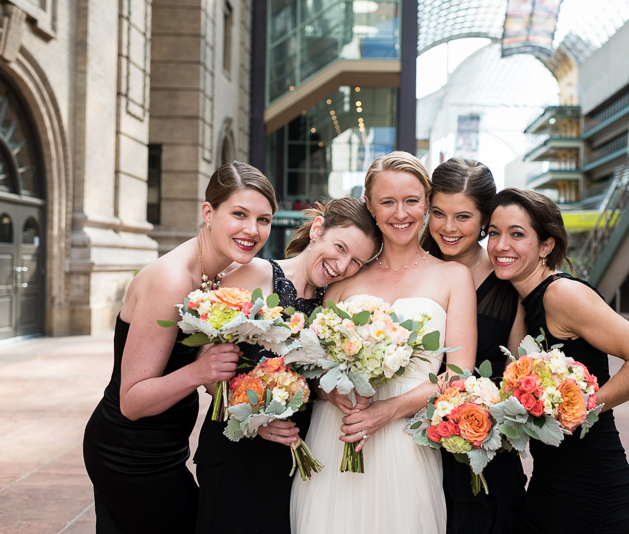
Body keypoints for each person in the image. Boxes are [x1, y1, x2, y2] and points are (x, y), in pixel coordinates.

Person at [83, 162, 278, 533]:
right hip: (129, 450)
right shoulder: (171, 279)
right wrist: (201, 371)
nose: (252, 230)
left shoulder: (220, 275)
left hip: (167, 445)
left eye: (264, 219)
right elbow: (133, 400)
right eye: (239, 214)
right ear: (208, 212)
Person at [290, 151, 478, 534]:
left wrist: (385, 411)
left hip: (404, 440)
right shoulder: (343, 280)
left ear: (427, 203)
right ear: (369, 205)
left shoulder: (453, 277)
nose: (400, 213)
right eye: (387, 202)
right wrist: (330, 394)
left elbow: (458, 376)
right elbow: (312, 364)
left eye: (411, 201)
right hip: (337, 432)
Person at [486, 188, 629, 534]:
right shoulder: (523, 300)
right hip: (550, 483)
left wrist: (578, 409)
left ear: (546, 246)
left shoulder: (561, 294)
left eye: (517, 234)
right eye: (494, 232)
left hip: (590, 486)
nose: (500, 245)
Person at [193, 197, 381, 534]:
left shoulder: (334, 303)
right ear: (318, 230)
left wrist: (331, 393)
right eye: (339, 247)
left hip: (293, 461)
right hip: (235, 452)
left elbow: (316, 380)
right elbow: (208, 367)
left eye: (356, 261)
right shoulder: (253, 273)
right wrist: (256, 420)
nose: (341, 265)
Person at [420, 158, 527, 534]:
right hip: (411, 450)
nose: (448, 228)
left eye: (463, 217)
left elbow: (519, 373)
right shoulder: (409, 269)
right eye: (438, 213)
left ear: (485, 220)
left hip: (480, 452)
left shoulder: (508, 282)